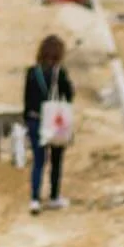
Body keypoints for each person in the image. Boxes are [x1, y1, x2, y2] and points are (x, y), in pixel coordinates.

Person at [23, 35, 73, 215]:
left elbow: (26, 99)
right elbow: (69, 95)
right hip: (54, 121)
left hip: (35, 120)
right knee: (56, 160)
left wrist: (26, 122)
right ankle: (54, 196)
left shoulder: (31, 72)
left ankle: (35, 199)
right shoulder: (60, 73)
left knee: (38, 160)